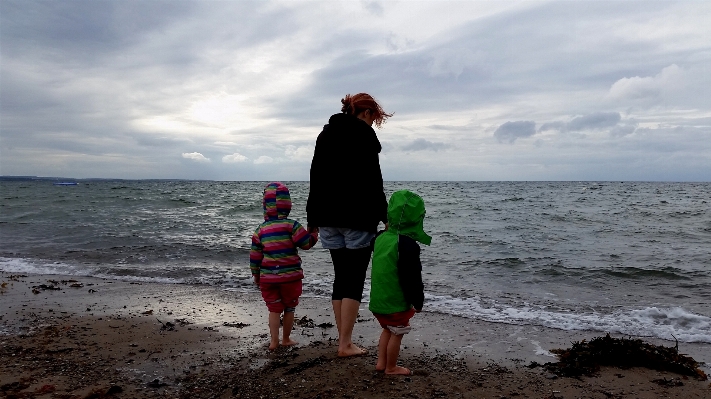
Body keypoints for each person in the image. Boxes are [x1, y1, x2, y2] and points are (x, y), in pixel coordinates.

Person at [306, 93, 393, 357]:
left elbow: (316, 176)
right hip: (357, 218)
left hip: (328, 218)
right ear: (365, 113)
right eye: (374, 118)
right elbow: (373, 182)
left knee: (341, 277)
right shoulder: (364, 137)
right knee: (353, 280)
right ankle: (345, 344)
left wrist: (313, 219)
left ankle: (342, 341)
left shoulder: (325, 135)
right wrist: (385, 216)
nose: (373, 123)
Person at [250, 182, 318, 350]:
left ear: (265, 206)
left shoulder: (260, 230)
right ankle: (286, 339)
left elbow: (255, 257)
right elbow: (306, 244)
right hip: (291, 277)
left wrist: (256, 275)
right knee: (289, 307)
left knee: (274, 309)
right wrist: (314, 233)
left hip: (268, 278)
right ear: (287, 204)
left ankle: (274, 341)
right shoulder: (292, 225)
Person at [369, 190, 430, 375]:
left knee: (387, 329)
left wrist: (389, 229)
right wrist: (418, 301)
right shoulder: (408, 245)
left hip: (378, 301)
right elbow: (412, 277)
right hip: (395, 303)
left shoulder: (379, 239)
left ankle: (381, 363)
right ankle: (391, 367)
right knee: (397, 332)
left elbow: (377, 244)